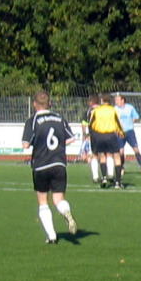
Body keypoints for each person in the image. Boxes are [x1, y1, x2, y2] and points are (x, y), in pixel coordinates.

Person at [21, 91, 78, 244]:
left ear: (34, 104)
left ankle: (52, 236)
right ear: (50, 104)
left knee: (43, 201)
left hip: (40, 165)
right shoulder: (59, 118)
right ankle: (66, 211)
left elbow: (25, 144)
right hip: (59, 163)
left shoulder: (32, 120)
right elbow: (71, 138)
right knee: (58, 199)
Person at [89, 94, 125, 189]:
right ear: (110, 101)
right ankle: (117, 182)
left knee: (102, 156)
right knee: (116, 156)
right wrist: (121, 132)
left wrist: (93, 134)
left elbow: (91, 124)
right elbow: (118, 122)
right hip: (110, 135)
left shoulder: (96, 111)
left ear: (102, 101)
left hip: (99, 135)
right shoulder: (113, 110)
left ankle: (104, 177)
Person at [115, 94, 141, 174]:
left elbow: (136, 117)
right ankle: (122, 168)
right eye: (116, 100)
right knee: (121, 151)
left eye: (117, 100)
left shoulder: (130, 107)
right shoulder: (114, 109)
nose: (116, 101)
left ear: (122, 100)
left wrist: (131, 121)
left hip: (130, 131)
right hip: (120, 132)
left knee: (136, 149)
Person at [81, 95, 99, 170]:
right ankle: (107, 173)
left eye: (89, 101)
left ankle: (95, 175)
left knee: (95, 154)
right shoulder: (102, 109)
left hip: (93, 134)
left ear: (91, 102)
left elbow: (84, 123)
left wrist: (84, 134)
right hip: (104, 133)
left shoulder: (89, 111)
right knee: (105, 154)